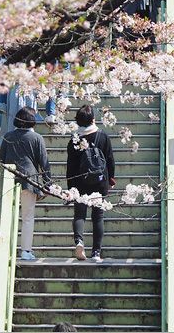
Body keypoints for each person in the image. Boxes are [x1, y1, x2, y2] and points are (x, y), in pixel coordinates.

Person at [0, 106, 52, 261]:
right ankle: (26, 251)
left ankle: (7, 249)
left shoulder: (8, 136)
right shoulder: (37, 138)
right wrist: (47, 185)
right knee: (27, 217)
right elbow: (44, 163)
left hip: (9, 179)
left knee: (9, 216)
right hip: (30, 180)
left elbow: (0, 161)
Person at [66, 105, 116, 263]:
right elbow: (110, 160)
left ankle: (79, 242)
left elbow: (71, 165)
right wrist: (111, 180)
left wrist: (71, 186)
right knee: (98, 216)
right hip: (99, 181)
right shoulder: (103, 136)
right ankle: (96, 252)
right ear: (93, 119)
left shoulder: (75, 139)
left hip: (80, 181)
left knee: (80, 214)